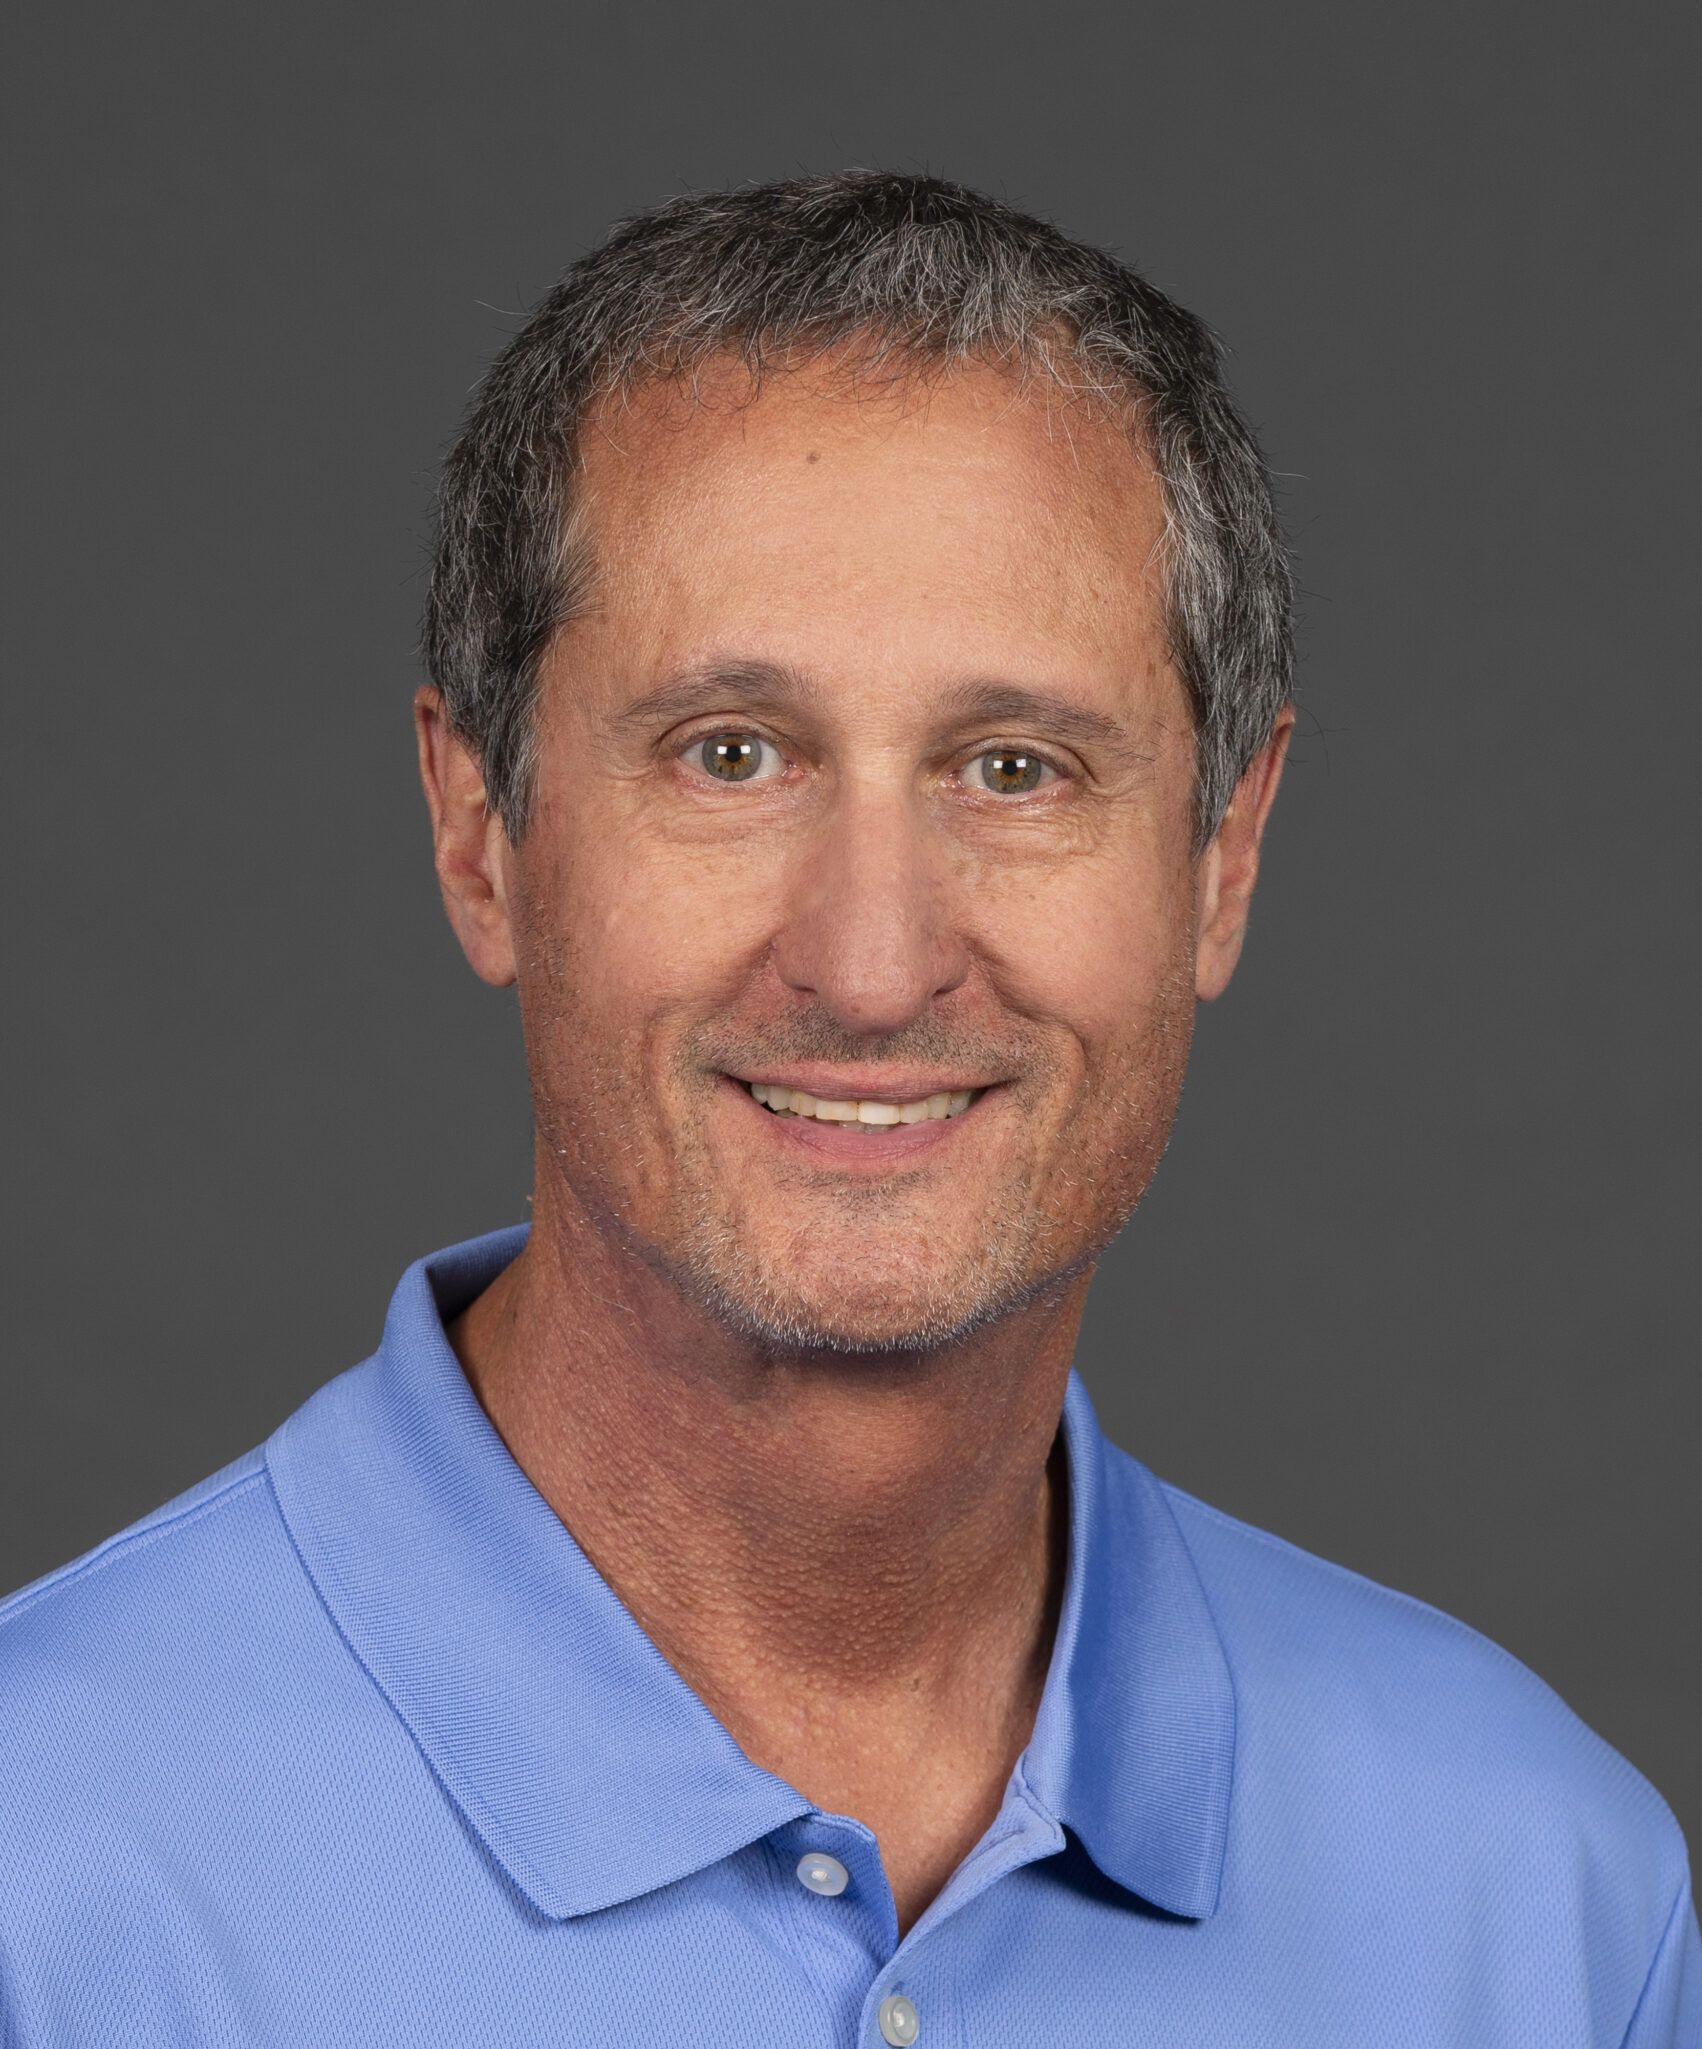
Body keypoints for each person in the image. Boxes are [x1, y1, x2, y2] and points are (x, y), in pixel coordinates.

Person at [1, 170, 1694, 2047]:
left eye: (1014, 765)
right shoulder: (44, 1876)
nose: (874, 963)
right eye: (729, 754)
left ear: (1221, 860)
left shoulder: (1543, 1905)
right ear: (480, 830)